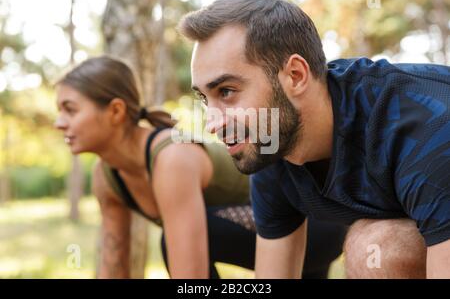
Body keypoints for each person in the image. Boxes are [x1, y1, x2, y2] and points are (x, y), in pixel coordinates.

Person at [179, 0, 450, 278]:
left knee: (378, 249)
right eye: (206, 99)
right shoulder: (271, 144)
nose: (212, 123)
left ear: (295, 75)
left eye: (227, 92)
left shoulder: (423, 127)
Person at [54, 56, 346, 279]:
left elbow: (191, 279)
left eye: (70, 109)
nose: (59, 122)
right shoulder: (107, 176)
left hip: (312, 225)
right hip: (267, 236)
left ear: (116, 111)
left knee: (174, 240)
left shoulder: (171, 157)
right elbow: (114, 263)